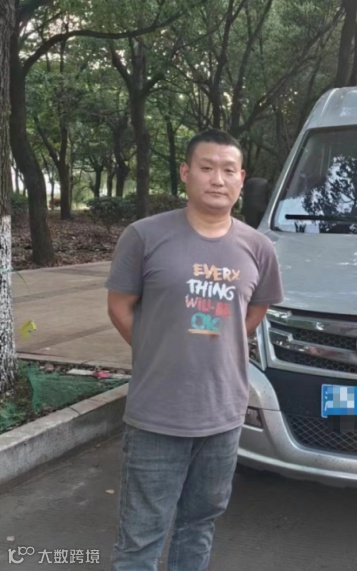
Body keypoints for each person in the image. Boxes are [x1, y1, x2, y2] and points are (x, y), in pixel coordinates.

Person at [105, 128, 284, 571]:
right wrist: (158, 348)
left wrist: (216, 345)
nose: (217, 179)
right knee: (140, 537)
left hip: (223, 414)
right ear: (186, 173)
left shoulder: (258, 248)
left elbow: (255, 310)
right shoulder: (144, 236)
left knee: (199, 526)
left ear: (242, 178)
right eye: (206, 168)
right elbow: (120, 306)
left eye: (228, 170)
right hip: (157, 414)